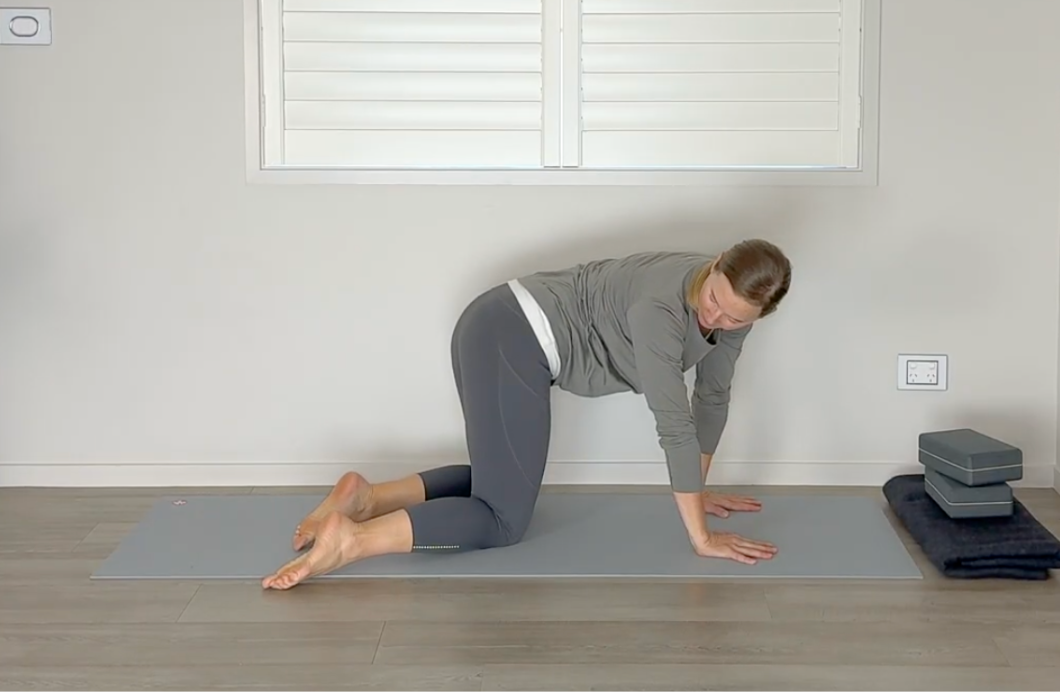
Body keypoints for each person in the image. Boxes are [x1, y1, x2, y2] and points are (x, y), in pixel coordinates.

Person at [262, 240, 794, 590]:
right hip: (510, 336)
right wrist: (702, 538)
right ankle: (354, 541)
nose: (715, 317)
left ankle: (368, 498)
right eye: (715, 299)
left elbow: (712, 397)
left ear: (757, 315)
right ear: (717, 263)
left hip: (504, 329)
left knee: (501, 485)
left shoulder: (730, 314)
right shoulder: (660, 307)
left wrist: (697, 487)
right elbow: (673, 422)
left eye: (735, 318)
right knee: (503, 520)